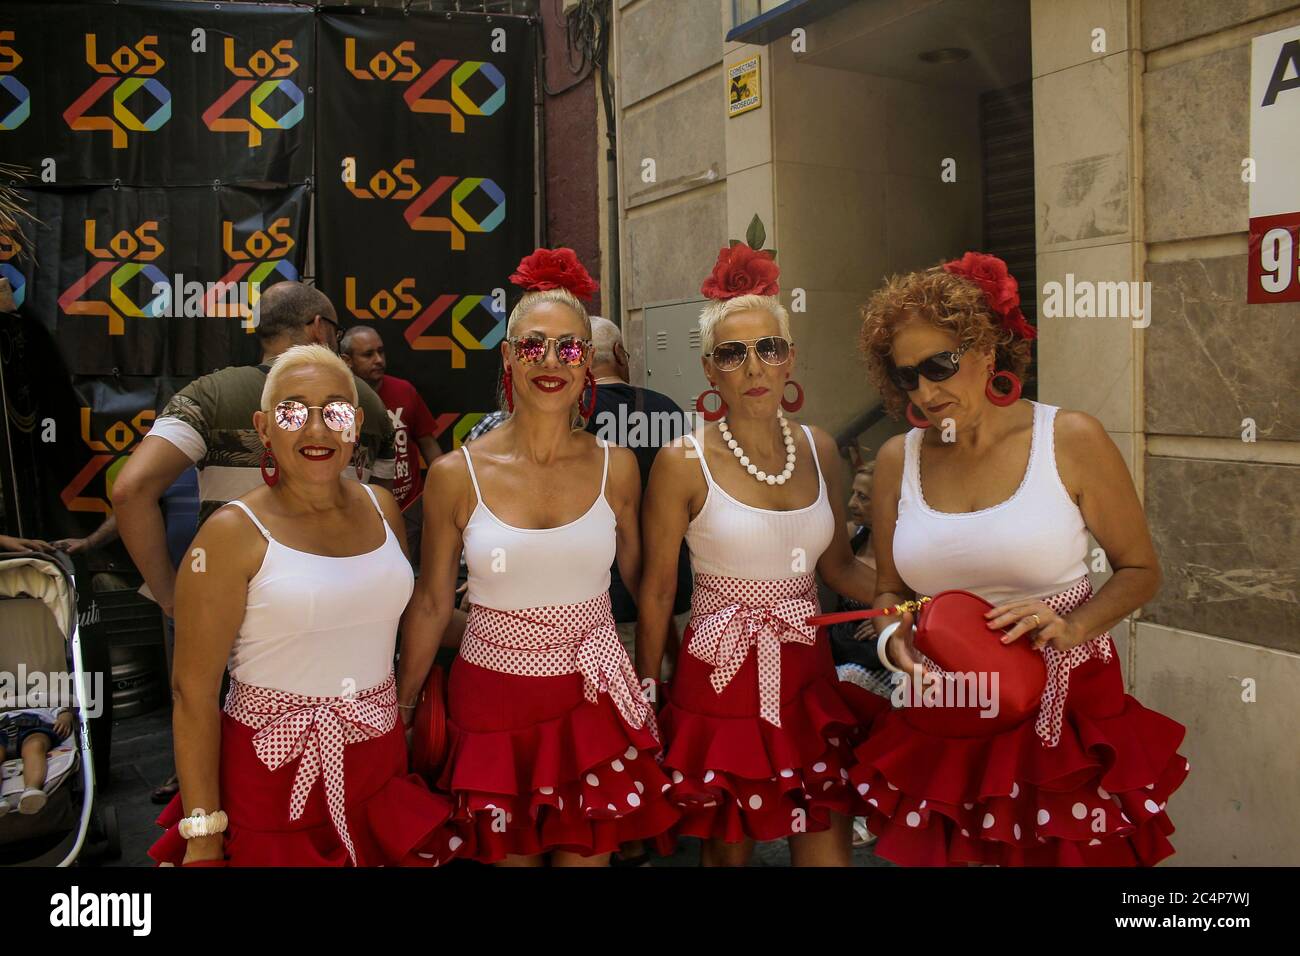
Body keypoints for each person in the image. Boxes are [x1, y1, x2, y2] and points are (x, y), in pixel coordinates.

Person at [850, 251, 1188, 866]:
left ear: (987, 349)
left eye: (940, 366)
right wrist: (889, 635)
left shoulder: (1070, 438)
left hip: (1061, 705)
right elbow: (889, 588)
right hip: (948, 703)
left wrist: (1075, 624)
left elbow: (1141, 570)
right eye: (907, 376)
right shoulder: (899, 459)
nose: (926, 391)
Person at [396, 248, 678, 866]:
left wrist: (656, 676)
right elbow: (430, 604)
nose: (551, 362)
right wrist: (405, 710)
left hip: (592, 702)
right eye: (532, 346)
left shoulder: (619, 467)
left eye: (569, 349)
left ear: (588, 367)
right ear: (508, 357)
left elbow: (648, 584)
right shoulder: (455, 474)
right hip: (492, 705)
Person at [147, 344, 455, 867]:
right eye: (293, 412)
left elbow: (399, 614)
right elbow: (192, 693)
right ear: (264, 428)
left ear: (355, 423)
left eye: (334, 411)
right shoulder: (229, 534)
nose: (317, 430)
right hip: (272, 778)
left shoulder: (382, 507)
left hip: (377, 762)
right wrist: (202, 834)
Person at [637, 233, 885, 867]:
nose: (753, 367)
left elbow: (836, 568)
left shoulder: (821, 448)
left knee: (825, 846)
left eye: (768, 349)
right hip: (717, 674)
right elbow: (661, 587)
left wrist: (911, 597)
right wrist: (647, 686)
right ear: (710, 369)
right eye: (733, 353)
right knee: (728, 855)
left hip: (806, 669)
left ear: (789, 359)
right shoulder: (681, 461)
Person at [113, 281, 397, 803]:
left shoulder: (209, 394)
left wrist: (173, 597)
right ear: (318, 328)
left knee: (208, 728)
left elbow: (131, 490)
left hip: (229, 617)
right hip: (360, 675)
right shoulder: (369, 404)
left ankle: (199, 796)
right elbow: (388, 501)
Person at [584, 315, 693, 867]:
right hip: (665, 587)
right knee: (651, 710)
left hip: (590, 605)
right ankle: (655, 819)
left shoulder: (562, 412)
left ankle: (621, 830)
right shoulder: (665, 411)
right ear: (621, 355)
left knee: (607, 726)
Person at [341, 326, 440, 558]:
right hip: (361, 508)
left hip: (411, 507)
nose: (378, 360)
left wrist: (446, 488)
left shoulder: (403, 391)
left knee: (411, 574)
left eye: (381, 352)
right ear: (347, 360)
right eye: (368, 354)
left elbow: (428, 444)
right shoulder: (339, 400)